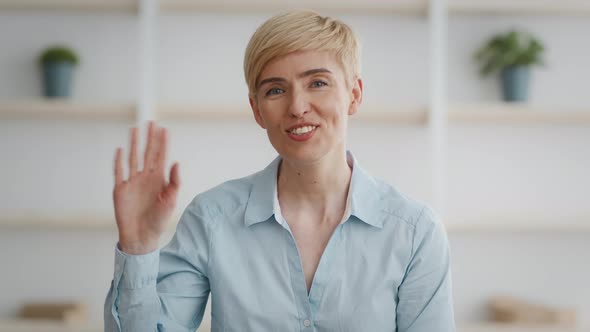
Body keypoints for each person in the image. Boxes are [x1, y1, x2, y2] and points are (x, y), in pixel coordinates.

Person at [104, 10, 455, 332]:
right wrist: (138, 247)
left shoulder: (415, 233)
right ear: (257, 110)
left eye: (317, 83)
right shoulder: (212, 218)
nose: (298, 107)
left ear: (354, 94)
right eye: (275, 90)